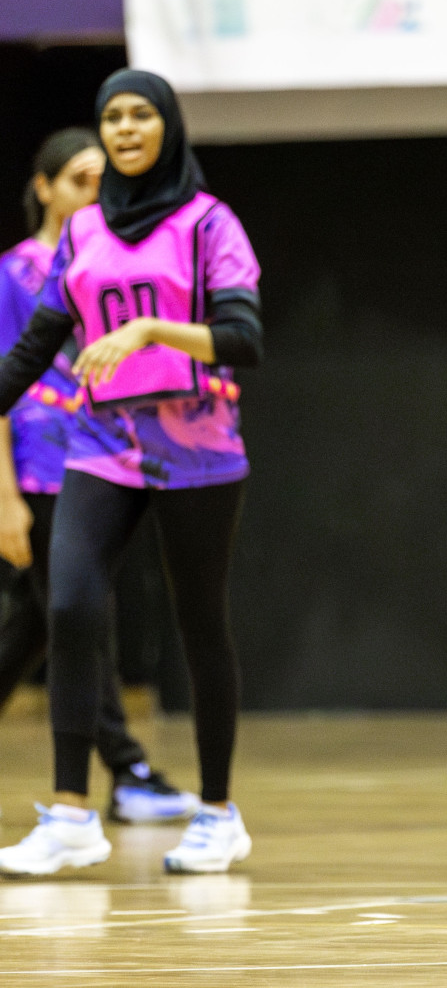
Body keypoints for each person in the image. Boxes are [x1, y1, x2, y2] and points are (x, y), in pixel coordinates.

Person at [0, 69, 262, 878]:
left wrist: (150, 328)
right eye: (111, 115)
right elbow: (36, 346)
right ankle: (73, 813)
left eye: (140, 114)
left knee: (199, 625)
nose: (123, 128)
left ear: (168, 126)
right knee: (72, 604)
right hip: (102, 444)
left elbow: (243, 339)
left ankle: (218, 813)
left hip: (197, 448)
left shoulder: (208, 223)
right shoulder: (82, 234)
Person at [0, 127, 200, 827]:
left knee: (42, 621)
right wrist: (4, 499)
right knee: (79, 615)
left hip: (109, 451)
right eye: (79, 179)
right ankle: (128, 769)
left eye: (100, 179)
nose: (93, 190)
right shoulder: (16, 272)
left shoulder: (112, 258)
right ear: (45, 187)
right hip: (40, 462)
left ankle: (126, 771)